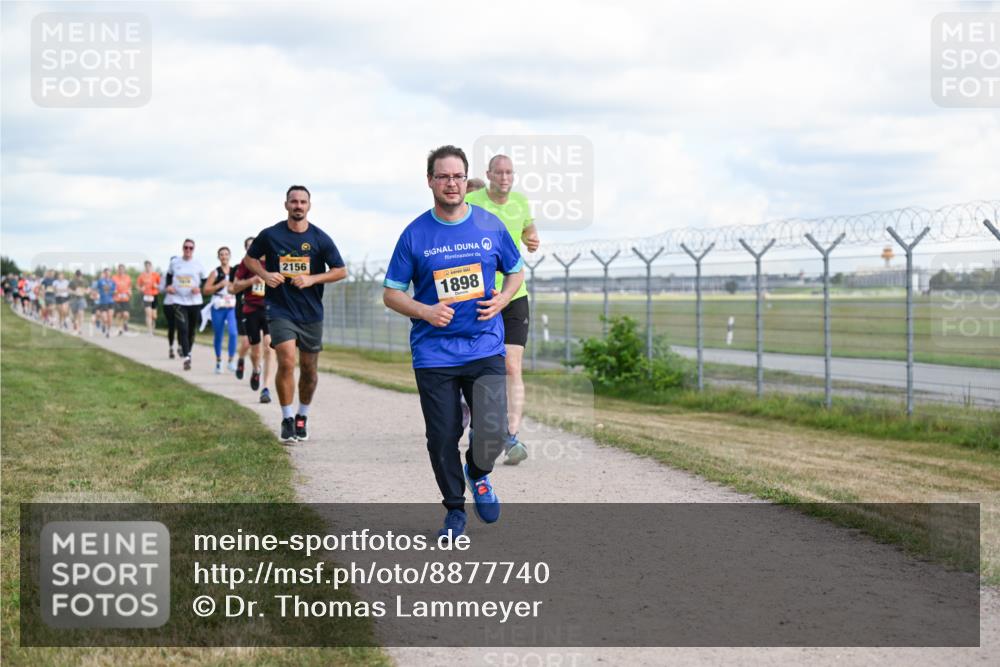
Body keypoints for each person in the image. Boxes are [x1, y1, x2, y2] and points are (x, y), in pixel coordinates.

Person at [383, 145, 524, 538]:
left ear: (466, 180)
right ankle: (454, 510)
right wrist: (426, 311)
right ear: (430, 181)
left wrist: (504, 297)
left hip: (483, 344)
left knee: (493, 429)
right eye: (443, 176)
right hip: (435, 354)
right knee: (442, 436)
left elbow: (514, 270)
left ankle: (478, 473)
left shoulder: (489, 225)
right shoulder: (414, 234)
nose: (451, 183)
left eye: (458, 176)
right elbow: (391, 293)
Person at [244, 185, 347, 442]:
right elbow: (250, 259)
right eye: (294, 201)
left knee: (309, 370)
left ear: (309, 206)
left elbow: (340, 270)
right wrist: (266, 275)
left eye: (303, 202)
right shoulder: (271, 235)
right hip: (280, 309)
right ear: (286, 205)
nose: (298, 206)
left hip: (311, 312)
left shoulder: (319, 238)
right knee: (287, 360)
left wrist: (312, 279)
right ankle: (287, 417)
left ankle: (303, 414)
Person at [466, 153, 541, 465]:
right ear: (489, 174)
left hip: (513, 293)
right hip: (478, 293)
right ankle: (477, 424)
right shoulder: (472, 199)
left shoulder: (521, 202)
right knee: (478, 364)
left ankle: (511, 436)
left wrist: (532, 239)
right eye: (499, 173)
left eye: (510, 172)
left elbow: (528, 230)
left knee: (512, 366)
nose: (505, 178)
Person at [231, 237, 276, 403]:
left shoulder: (275, 261)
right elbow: (235, 286)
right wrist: (252, 280)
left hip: (271, 310)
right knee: (255, 350)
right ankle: (256, 369)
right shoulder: (248, 263)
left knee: (269, 347)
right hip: (251, 309)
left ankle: (266, 389)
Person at [167, 240, 208, 371]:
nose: (188, 250)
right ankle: (187, 357)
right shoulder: (175, 263)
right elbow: (169, 275)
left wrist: (199, 288)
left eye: (191, 248)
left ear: (193, 249)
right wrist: (169, 286)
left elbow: (205, 280)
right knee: (182, 328)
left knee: (191, 330)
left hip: (194, 301)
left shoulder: (198, 264)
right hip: (178, 300)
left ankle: (188, 351)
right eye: (186, 247)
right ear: (182, 248)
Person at [203, 247, 239, 374]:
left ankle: (231, 360)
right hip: (218, 306)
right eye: (221, 255)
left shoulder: (235, 271)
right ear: (218, 257)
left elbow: (238, 286)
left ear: (230, 256)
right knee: (218, 334)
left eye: (226, 254)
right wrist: (219, 285)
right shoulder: (215, 272)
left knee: (233, 333)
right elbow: (206, 290)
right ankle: (218, 361)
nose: (224, 257)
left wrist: (233, 286)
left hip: (231, 305)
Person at [137, 261, 161, 335]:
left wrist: (156, 286)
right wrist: (141, 289)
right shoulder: (142, 276)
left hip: (154, 296)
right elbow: (138, 285)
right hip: (146, 296)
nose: (148, 267)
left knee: (154, 316)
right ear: (145, 267)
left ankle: (152, 329)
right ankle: (149, 331)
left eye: (149, 266)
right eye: (146, 266)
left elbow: (161, 285)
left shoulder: (156, 275)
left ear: (151, 267)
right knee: (148, 314)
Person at [161, 257, 178, 357]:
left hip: (181, 303)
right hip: (169, 303)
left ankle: (180, 346)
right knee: (172, 326)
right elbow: (160, 289)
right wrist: (167, 288)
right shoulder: (165, 275)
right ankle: (171, 347)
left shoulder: (183, 274)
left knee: (181, 326)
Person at [92, 268, 116, 337]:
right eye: (106, 272)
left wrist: (113, 292)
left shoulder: (112, 282)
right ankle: (103, 324)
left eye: (109, 272)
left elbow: (115, 291)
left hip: (111, 301)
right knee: (105, 319)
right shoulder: (100, 281)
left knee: (110, 318)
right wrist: (95, 295)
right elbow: (95, 289)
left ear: (110, 273)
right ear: (104, 273)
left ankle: (108, 332)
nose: (108, 274)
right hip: (103, 302)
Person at [111, 264, 133, 335]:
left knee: (126, 314)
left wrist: (130, 292)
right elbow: (111, 287)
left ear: (124, 270)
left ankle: (125, 323)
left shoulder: (128, 277)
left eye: (122, 269)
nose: (121, 270)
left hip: (125, 298)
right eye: (119, 269)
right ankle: (119, 329)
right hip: (117, 299)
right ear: (118, 270)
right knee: (119, 315)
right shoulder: (114, 278)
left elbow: (129, 287)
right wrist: (113, 291)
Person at [69, 270, 88, 335]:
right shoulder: (72, 282)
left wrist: (86, 291)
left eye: (80, 275)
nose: (79, 277)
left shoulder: (85, 281)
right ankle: (76, 327)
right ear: (75, 275)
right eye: (77, 275)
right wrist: (75, 292)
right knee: (75, 316)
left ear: (81, 275)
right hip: (74, 299)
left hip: (81, 299)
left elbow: (88, 289)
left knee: (81, 313)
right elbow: (68, 290)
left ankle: (79, 329)